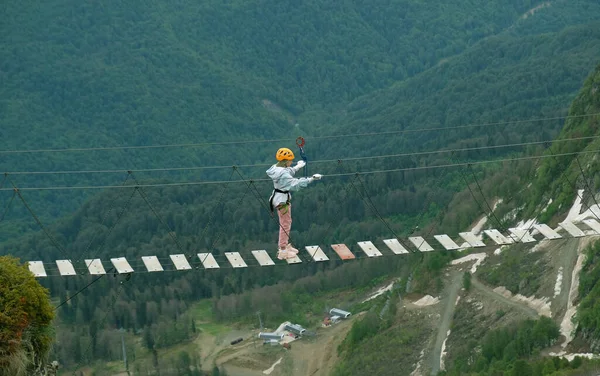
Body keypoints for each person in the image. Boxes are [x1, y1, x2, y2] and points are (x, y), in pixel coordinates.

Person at [266, 147, 322, 260]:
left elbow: (287, 171)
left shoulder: (276, 168)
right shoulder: (283, 174)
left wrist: (297, 167)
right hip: (282, 201)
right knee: (285, 224)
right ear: (286, 161)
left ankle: (284, 245)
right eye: (291, 161)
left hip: (278, 198)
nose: (292, 162)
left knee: (286, 222)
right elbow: (295, 184)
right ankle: (282, 250)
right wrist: (311, 179)